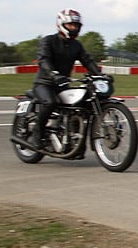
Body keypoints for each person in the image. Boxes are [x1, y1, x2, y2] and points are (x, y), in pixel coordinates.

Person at [29, 8, 102, 149]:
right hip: (44, 83)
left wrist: (99, 74)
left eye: (76, 26)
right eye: (70, 25)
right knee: (51, 102)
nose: (74, 28)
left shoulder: (76, 45)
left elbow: (87, 60)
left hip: (63, 84)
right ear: (61, 24)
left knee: (81, 105)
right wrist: (53, 74)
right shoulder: (48, 41)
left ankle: (74, 140)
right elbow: (43, 60)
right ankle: (37, 133)